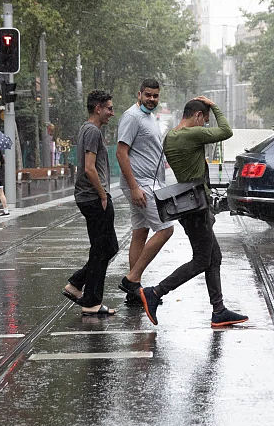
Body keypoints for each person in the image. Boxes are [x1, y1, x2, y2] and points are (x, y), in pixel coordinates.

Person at [138, 96, 248, 327]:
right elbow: (226, 131)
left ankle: (218, 310)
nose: (204, 125)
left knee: (213, 257)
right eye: (204, 120)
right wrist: (215, 106)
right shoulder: (190, 134)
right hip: (196, 206)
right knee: (201, 260)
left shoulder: (171, 136)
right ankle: (155, 292)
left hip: (190, 204)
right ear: (197, 115)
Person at [115, 79, 174, 306]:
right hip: (141, 184)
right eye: (148, 95)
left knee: (140, 232)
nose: (151, 99)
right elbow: (121, 153)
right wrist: (134, 187)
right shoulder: (132, 117)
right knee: (166, 229)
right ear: (139, 94)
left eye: (155, 96)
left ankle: (134, 290)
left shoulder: (148, 117)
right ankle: (132, 278)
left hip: (148, 182)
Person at [62, 90, 119, 317]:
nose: (112, 113)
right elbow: (89, 167)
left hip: (88, 196)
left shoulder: (87, 129)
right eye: (109, 108)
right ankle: (91, 301)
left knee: (106, 247)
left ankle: (76, 285)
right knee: (102, 249)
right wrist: (103, 195)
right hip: (94, 197)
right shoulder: (93, 131)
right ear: (98, 108)